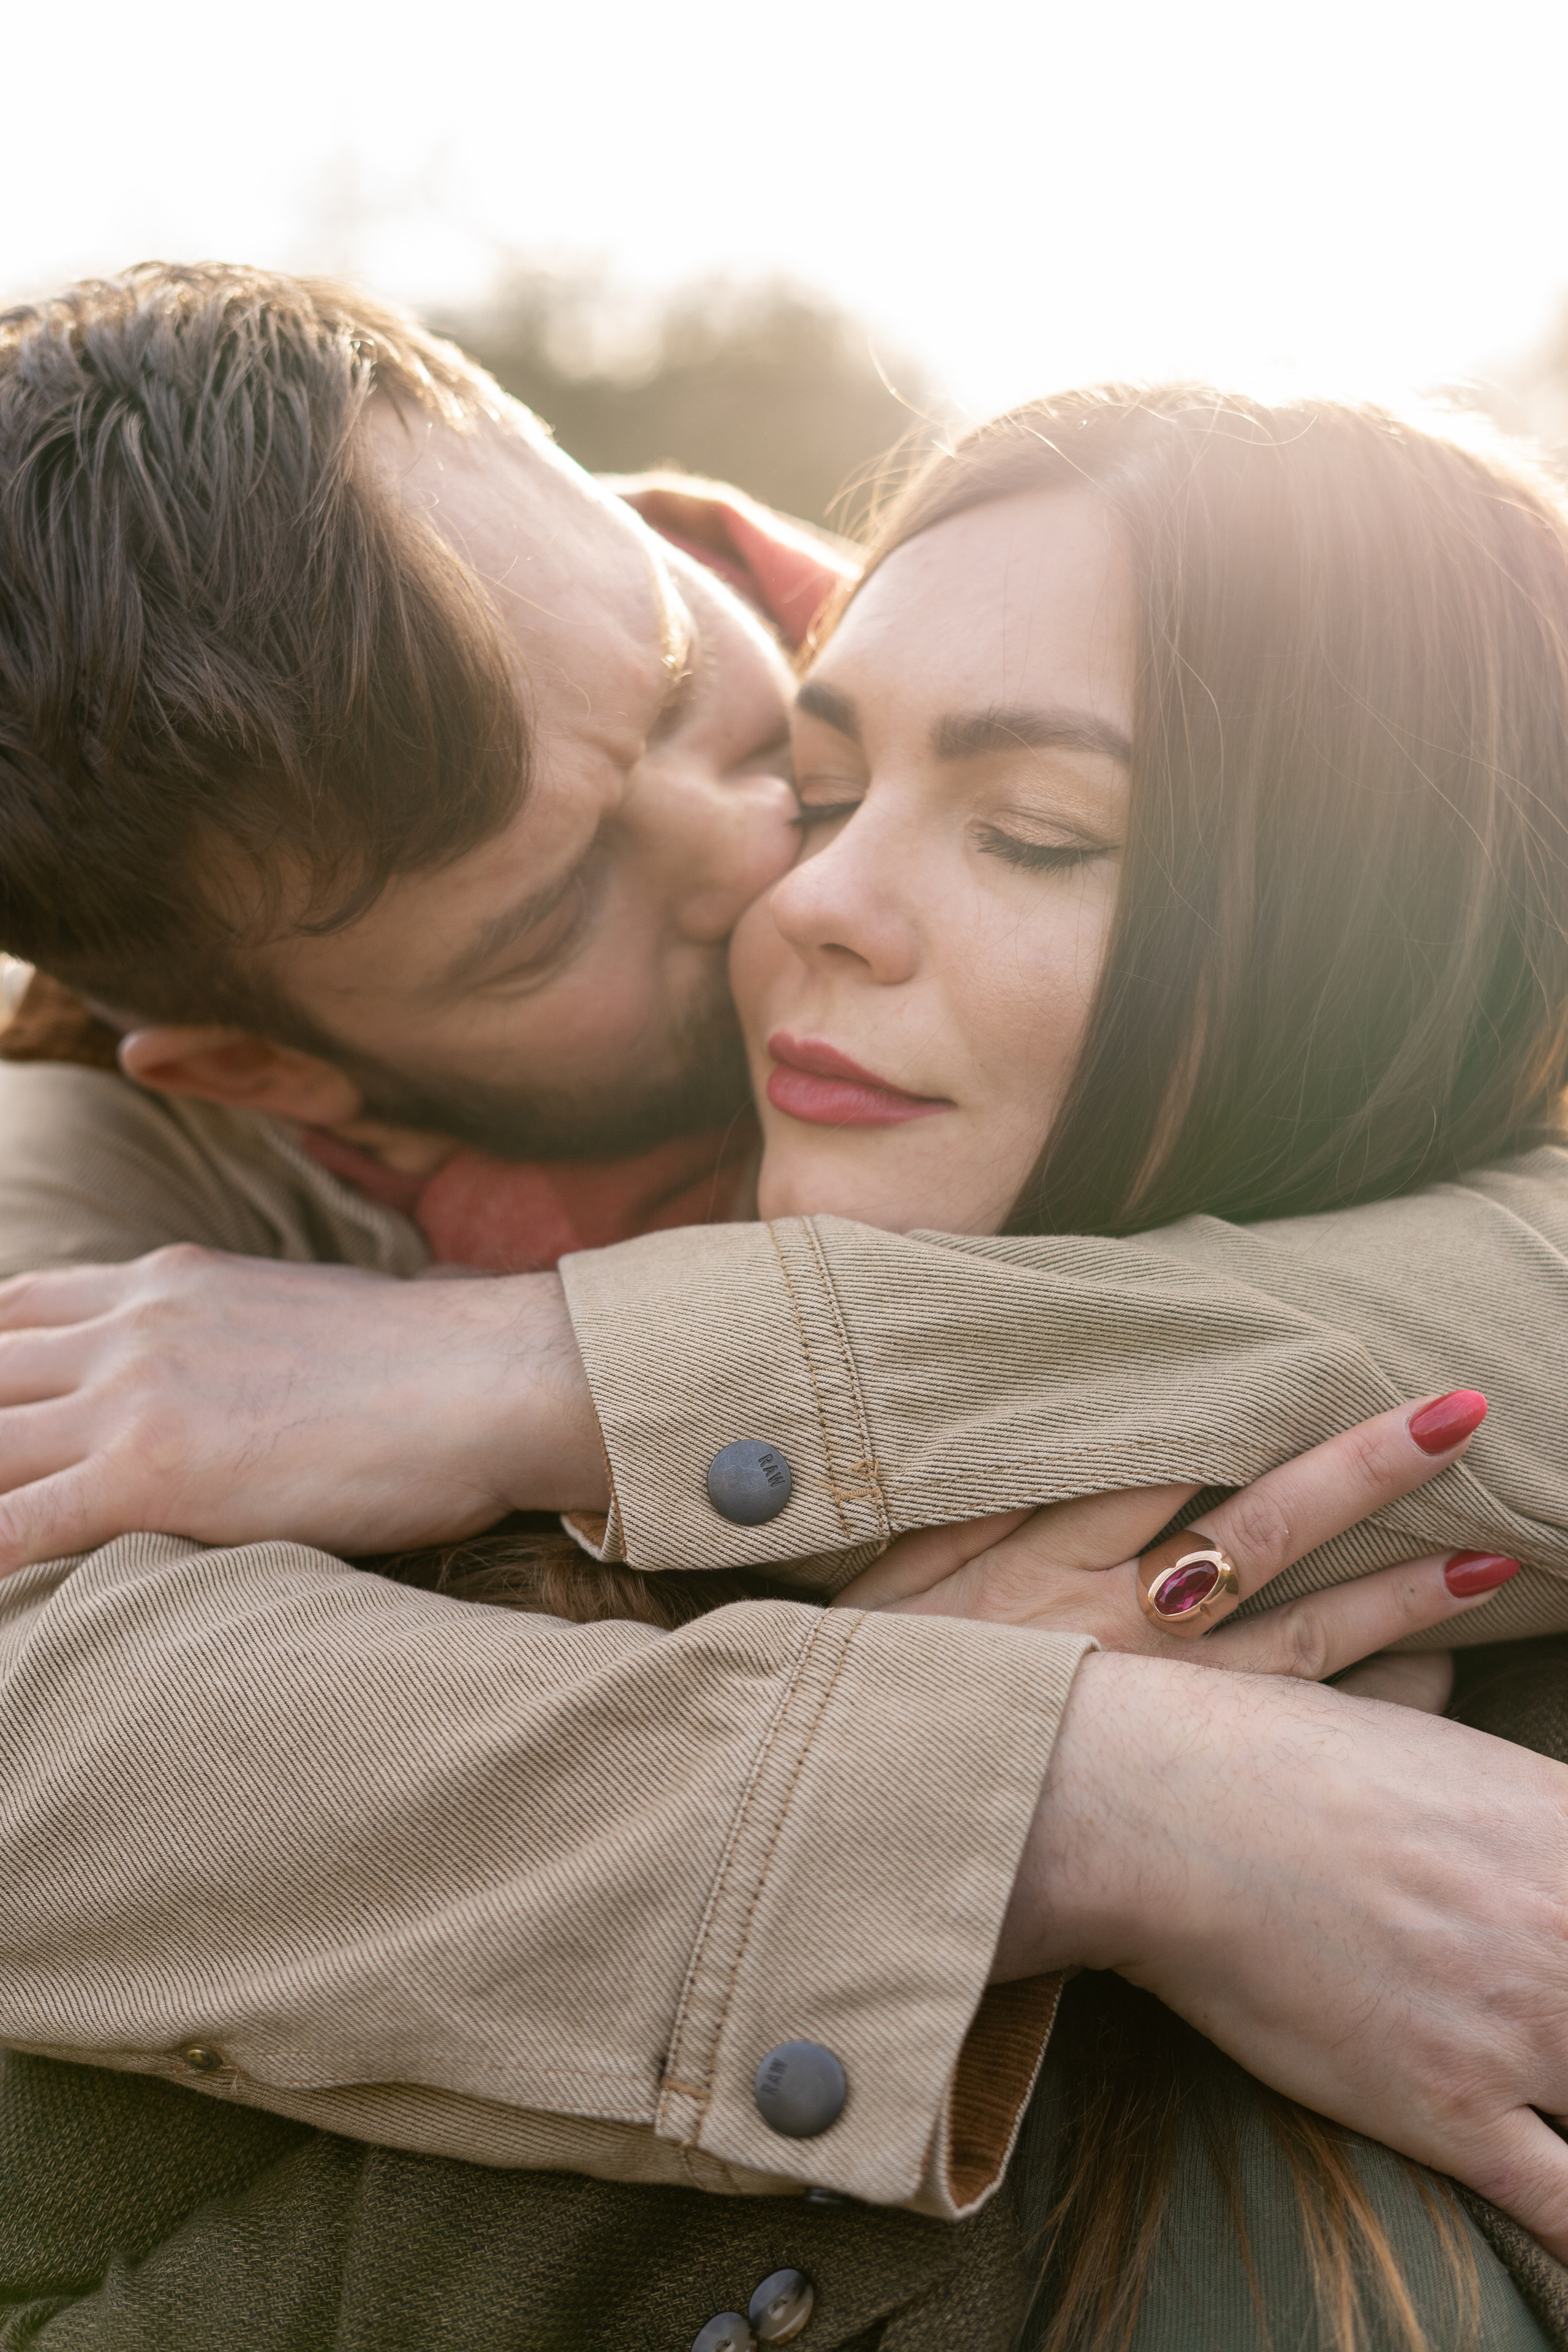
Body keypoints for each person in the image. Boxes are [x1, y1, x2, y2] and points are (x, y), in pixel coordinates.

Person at [1, 274, 1567, 2342]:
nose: (780, 868)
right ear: (277, 1070)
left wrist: (556, 1371)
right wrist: (1057, 1789)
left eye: (707, 697)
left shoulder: (1101, 613)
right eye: (553, 914)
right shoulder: (123, 1204)